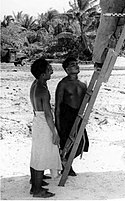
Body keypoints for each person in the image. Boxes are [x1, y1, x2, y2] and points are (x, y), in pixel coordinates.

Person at [30, 58, 62, 198]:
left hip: (37, 119)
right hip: (43, 123)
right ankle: (37, 190)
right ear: (43, 74)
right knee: (42, 155)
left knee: (36, 153)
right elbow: (48, 114)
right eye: (49, 70)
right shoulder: (43, 90)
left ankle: (35, 182)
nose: (52, 72)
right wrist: (54, 132)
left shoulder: (35, 84)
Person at [55, 56, 89, 176]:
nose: (76, 66)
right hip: (66, 116)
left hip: (78, 116)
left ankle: (65, 162)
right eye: (73, 64)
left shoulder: (83, 84)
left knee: (82, 143)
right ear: (67, 69)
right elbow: (58, 106)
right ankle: (66, 166)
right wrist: (57, 125)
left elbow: (87, 101)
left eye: (77, 63)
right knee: (67, 142)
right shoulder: (63, 84)